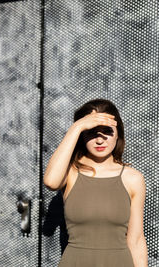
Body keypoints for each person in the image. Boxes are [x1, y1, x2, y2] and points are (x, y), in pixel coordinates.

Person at [44, 98, 148, 267]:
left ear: (118, 134)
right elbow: (50, 182)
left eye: (107, 131)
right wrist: (76, 126)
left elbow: (136, 240)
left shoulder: (132, 178)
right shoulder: (71, 173)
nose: (100, 140)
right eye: (91, 131)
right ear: (81, 135)